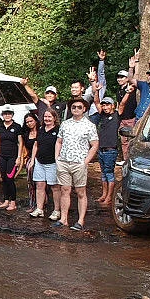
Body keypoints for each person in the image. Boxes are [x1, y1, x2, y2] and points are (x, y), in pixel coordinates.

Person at [52, 98, 99, 231]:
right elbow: (59, 142)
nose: (76, 109)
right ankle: (63, 219)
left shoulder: (89, 125)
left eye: (79, 107)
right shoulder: (65, 124)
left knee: (80, 192)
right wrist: (57, 158)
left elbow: (94, 145)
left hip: (79, 163)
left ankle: (80, 221)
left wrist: (85, 162)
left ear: (84, 109)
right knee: (64, 190)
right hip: (64, 162)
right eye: (74, 107)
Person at [91, 86, 130, 206]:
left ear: (112, 105)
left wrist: (127, 93)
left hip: (111, 150)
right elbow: (96, 101)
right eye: (104, 105)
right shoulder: (102, 115)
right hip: (101, 149)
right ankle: (104, 194)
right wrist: (96, 90)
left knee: (109, 173)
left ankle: (109, 197)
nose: (105, 107)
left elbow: (122, 104)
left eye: (108, 105)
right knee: (103, 173)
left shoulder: (117, 115)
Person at [26, 108, 61, 220]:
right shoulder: (41, 129)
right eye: (45, 117)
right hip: (40, 162)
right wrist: (32, 160)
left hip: (52, 162)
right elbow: (36, 145)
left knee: (55, 187)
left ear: (54, 118)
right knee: (39, 185)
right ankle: (39, 209)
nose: (47, 119)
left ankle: (57, 211)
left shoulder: (58, 130)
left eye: (49, 117)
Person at [0, 106, 24, 211]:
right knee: (4, 178)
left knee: (10, 179)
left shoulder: (17, 126)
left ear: (12, 115)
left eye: (9, 113)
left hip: (12, 156)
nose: (7, 115)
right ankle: (6, 200)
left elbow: (20, 143)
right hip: (2, 155)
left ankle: (13, 202)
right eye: (5, 113)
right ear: (2, 115)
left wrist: (19, 157)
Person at [115, 70, 137, 163]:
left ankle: (131, 160)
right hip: (122, 118)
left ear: (127, 78)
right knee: (123, 141)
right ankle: (125, 159)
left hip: (131, 118)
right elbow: (119, 104)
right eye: (118, 77)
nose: (119, 79)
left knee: (131, 141)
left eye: (122, 77)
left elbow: (134, 79)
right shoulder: (118, 91)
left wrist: (131, 68)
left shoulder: (132, 88)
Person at [22, 112, 40, 213]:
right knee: (31, 183)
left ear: (36, 121)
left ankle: (43, 203)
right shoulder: (26, 134)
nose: (29, 123)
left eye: (31, 121)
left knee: (42, 184)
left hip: (42, 158)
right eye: (27, 122)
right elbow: (24, 148)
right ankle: (33, 204)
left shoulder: (41, 131)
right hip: (30, 158)